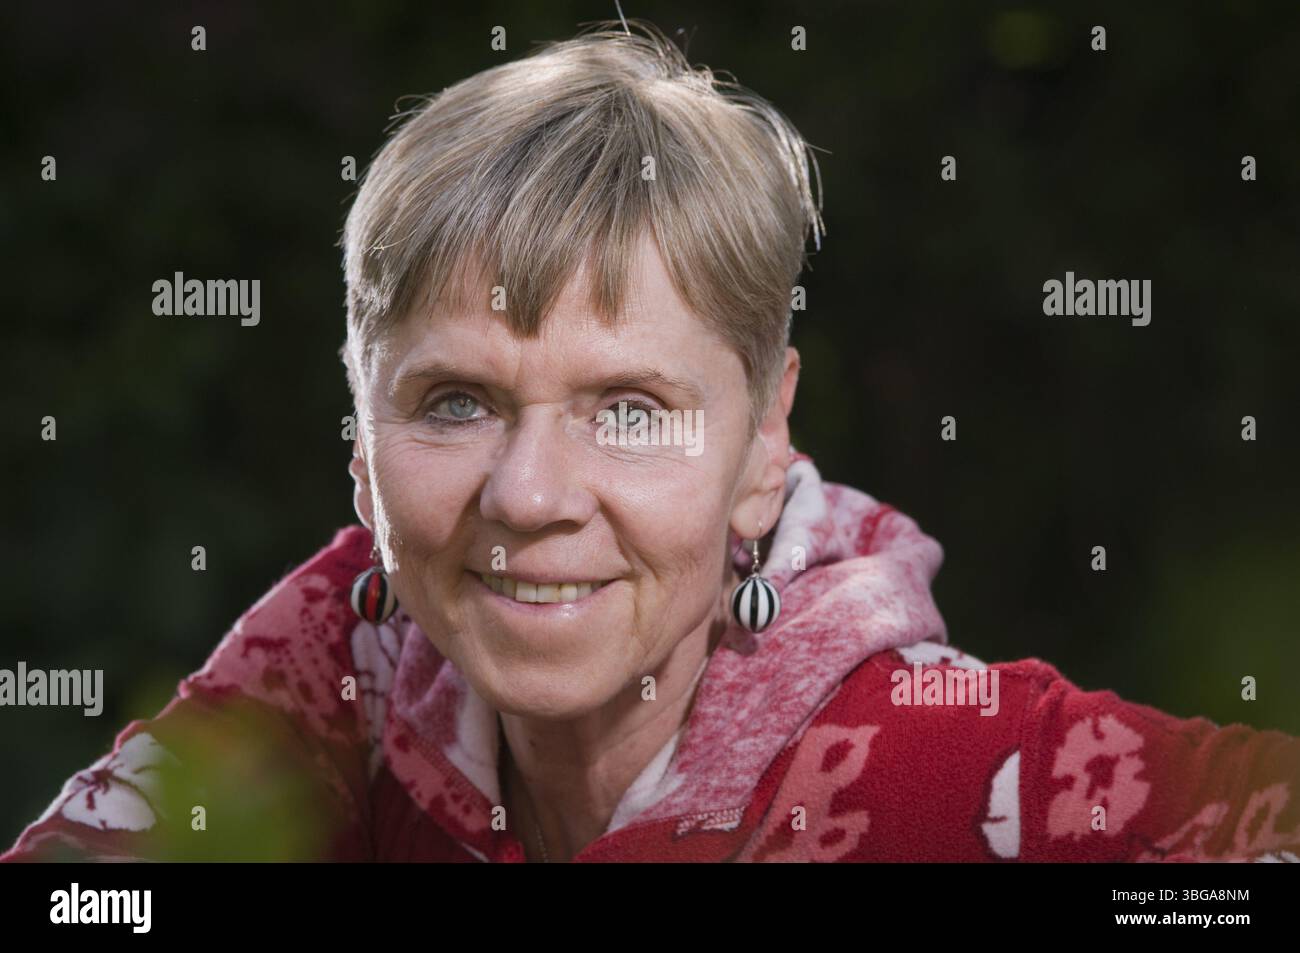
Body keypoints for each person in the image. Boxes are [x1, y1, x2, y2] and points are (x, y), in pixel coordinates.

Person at [6, 21, 1298, 863]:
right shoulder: (348, 654)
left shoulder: (936, 764)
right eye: (456, 401)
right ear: (361, 447)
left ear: (762, 446)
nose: (529, 493)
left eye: (629, 409)